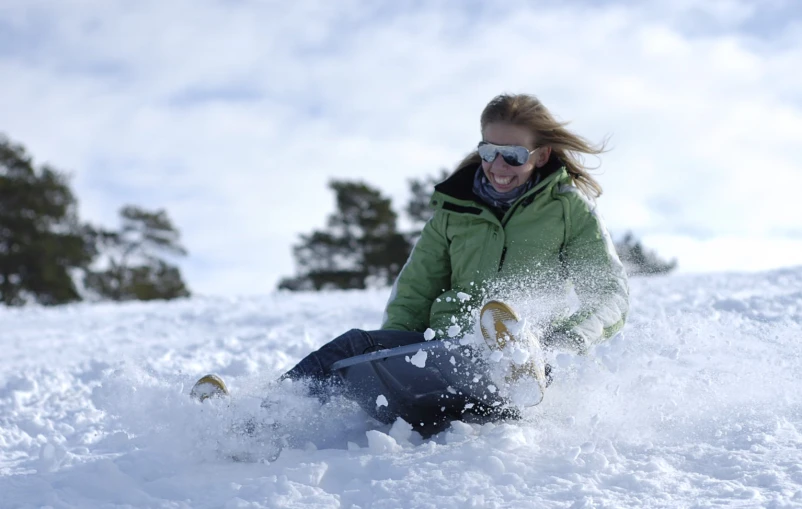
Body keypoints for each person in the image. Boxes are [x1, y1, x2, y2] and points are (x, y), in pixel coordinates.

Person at [193, 93, 629, 416]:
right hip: (444, 348)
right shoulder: (455, 211)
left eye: (512, 155)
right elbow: (417, 288)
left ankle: (516, 372)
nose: (497, 166)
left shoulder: (568, 211)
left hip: (528, 363)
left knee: (505, 357)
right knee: (353, 348)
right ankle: (253, 418)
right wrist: (389, 355)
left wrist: (559, 344)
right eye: (488, 152)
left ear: (541, 155)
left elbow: (609, 294)